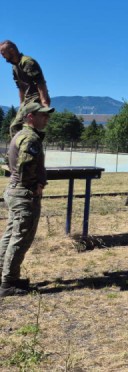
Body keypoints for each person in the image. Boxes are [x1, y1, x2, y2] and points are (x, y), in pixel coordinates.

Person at [0, 102, 54, 297]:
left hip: (15, 191)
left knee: (11, 235)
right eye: (42, 115)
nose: (46, 119)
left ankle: (5, 275)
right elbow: (25, 166)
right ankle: (9, 283)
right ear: (30, 116)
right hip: (24, 194)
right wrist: (35, 185)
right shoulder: (30, 138)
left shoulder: (20, 135)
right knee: (20, 238)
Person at [0, 40, 51, 137]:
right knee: (16, 127)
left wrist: (44, 102)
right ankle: (27, 144)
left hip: (36, 98)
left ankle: (31, 143)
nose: (2, 56)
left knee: (18, 126)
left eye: (3, 53)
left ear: (11, 51)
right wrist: (21, 104)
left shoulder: (27, 62)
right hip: (27, 100)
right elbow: (20, 87)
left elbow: (40, 83)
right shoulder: (15, 67)